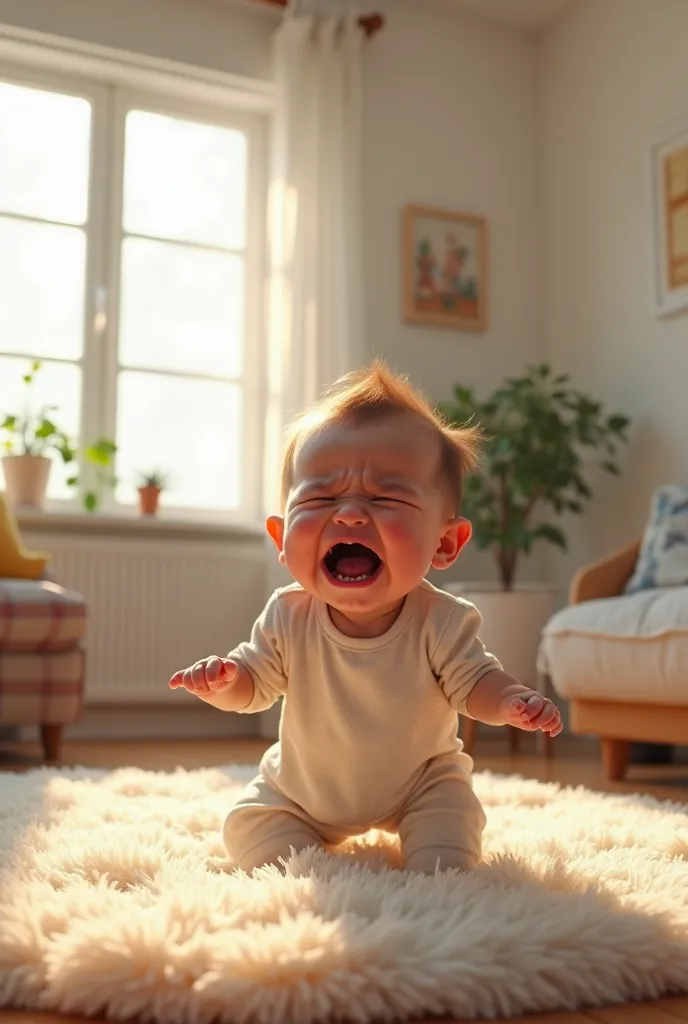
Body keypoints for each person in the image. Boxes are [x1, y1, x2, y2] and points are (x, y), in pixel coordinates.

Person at [169, 361, 563, 875]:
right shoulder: (288, 614)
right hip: (303, 789)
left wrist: (510, 700)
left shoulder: (442, 621)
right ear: (281, 539)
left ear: (444, 543)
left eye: (385, 497)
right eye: (320, 497)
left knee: (450, 831)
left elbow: (475, 682)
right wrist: (224, 681)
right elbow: (256, 685)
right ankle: (313, 865)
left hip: (420, 784)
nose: (350, 514)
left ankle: (435, 857)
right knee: (249, 828)